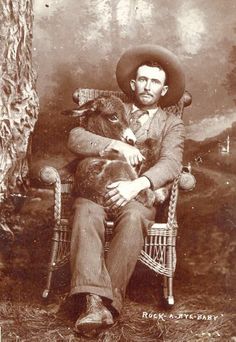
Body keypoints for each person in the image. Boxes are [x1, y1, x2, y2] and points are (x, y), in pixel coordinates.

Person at [67, 44, 185, 336]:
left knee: (133, 218)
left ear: (164, 88)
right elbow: (76, 136)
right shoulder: (112, 108)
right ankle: (94, 304)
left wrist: (137, 185)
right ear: (133, 84)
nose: (147, 86)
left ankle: (106, 303)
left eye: (155, 82)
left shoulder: (172, 124)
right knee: (85, 211)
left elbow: (171, 163)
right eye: (143, 79)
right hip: (97, 189)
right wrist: (113, 144)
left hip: (137, 195)